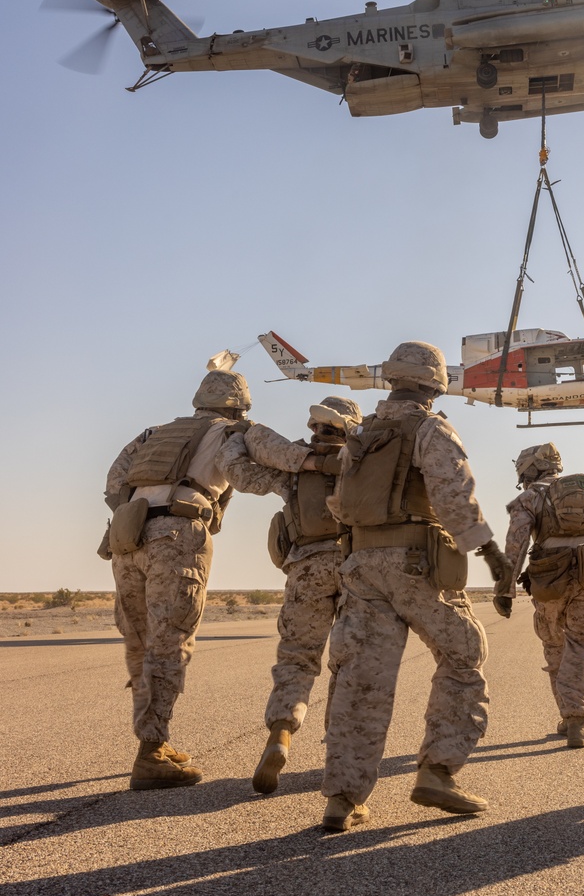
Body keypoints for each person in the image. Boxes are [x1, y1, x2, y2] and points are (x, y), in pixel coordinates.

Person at [321, 341, 514, 832]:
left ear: (391, 380)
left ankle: (342, 800)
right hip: (414, 565)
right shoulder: (431, 428)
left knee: (360, 682)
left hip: (360, 567)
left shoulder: (360, 435)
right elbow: (454, 495)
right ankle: (437, 772)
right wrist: (491, 553)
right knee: (463, 653)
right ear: (435, 384)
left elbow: (340, 505)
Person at [104, 366, 280, 791]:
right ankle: (152, 751)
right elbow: (247, 476)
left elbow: (114, 483)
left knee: (140, 641)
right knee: (170, 640)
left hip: (127, 537)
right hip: (178, 535)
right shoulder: (233, 432)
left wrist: (143, 510)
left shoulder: (153, 433)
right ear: (239, 405)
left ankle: (152, 743)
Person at [218, 396, 362, 795]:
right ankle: (341, 757)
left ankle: (281, 734)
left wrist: (234, 436)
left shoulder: (293, 471)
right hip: (357, 569)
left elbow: (239, 472)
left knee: (297, 659)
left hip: (306, 568)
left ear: (315, 428)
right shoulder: (363, 465)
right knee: (350, 664)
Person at [500, 444, 584, 749]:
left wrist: (504, 590)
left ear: (529, 470)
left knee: (555, 646)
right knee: (583, 648)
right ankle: (576, 720)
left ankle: (568, 716)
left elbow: (515, 545)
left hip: (549, 583)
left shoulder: (528, 498)